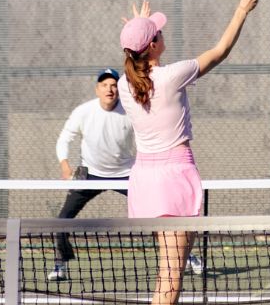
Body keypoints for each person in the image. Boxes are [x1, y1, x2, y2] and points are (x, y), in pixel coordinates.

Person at [119, 0, 259, 305]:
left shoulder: (127, 84)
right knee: (172, 273)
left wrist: (138, 27)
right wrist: (241, 8)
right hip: (174, 178)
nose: (164, 34)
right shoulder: (172, 76)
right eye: (157, 32)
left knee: (166, 269)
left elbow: (133, 55)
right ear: (154, 45)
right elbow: (220, 51)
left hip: (144, 181)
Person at [48, 68, 205, 282]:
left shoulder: (131, 111)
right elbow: (64, 139)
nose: (109, 89)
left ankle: (185, 257)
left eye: (113, 85)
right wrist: (65, 166)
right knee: (62, 220)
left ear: (119, 89)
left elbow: (151, 132)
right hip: (90, 175)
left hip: (127, 174)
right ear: (97, 89)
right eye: (104, 85)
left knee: (158, 217)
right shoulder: (83, 112)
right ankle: (60, 264)